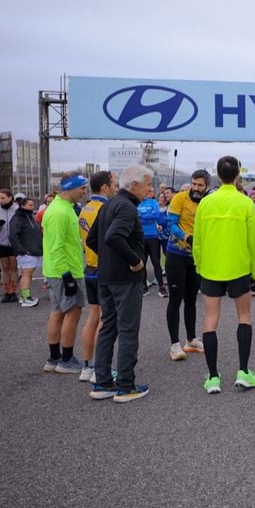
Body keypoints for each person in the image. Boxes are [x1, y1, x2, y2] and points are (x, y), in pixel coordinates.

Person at [192, 155, 255, 393]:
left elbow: (198, 240)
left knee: (210, 319)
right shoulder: (246, 203)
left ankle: (213, 377)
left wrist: (199, 265)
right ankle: (243, 371)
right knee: (244, 316)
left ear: (217, 174)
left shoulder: (206, 203)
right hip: (239, 268)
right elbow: (253, 241)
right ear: (238, 175)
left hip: (211, 268)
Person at [86, 165, 153, 402]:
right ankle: (125, 385)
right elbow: (113, 236)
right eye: (147, 185)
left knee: (108, 328)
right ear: (134, 185)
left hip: (106, 276)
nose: (150, 190)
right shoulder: (126, 207)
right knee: (127, 330)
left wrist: (109, 259)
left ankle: (103, 381)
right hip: (125, 279)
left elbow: (93, 239)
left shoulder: (109, 204)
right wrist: (134, 260)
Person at [41, 172, 89, 374]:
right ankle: (66, 360)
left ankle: (54, 358)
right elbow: (55, 247)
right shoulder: (59, 212)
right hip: (65, 271)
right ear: (70, 188)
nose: (85, 192)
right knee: (73, 311)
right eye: (82, 188)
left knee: (58, 312)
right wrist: (67, 275)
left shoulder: (64, 208)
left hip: (58, 270)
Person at [164, 169, 210, 361]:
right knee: (175, 299)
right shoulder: (179, 198)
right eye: (194, 184)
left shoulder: (208, 202)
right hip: (176, 254)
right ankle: (174, 344)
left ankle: (190, 339)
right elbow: (171, 224)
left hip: (196, 257)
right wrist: (186, 237)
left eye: (200, 185)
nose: (196, 188)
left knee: (191, 299)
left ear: (207, 186)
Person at [77, 170, 118, 381]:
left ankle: (88, 366)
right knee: (107, 320)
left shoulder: (85, 208)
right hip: (103, 268)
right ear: (105, 187)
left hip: (90, 268)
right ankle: (101, 369)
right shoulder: (105, 209)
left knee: (93, 315)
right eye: (115, 185)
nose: (117, 189)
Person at [9, 196, 43, 308]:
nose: (32, 207)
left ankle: (24, 296)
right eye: (30, 205)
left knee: (28, 273)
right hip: (26, 252)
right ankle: (26, 298)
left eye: (33, 205)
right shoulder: (17, 219)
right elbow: (13, 236)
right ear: (22, 205)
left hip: (34, 250)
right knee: (27, 273)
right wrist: (21, 250)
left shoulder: (30, 217)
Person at [0, 189, 21, 303]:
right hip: (1, 242)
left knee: (13, 267)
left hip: (14, 242)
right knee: (4, 268)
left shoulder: (17, 209)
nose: (1, 200)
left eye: (3, 198)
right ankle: (6, 292)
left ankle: (13, 291)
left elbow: (21, 225)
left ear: (10, 197)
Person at [137, 184, 167, 296]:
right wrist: (146, 217)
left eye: (151, 191)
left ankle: (161, 287)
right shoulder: (138, 203)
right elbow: (136, 217)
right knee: (142, 263)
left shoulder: (154, 203)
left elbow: (155, 216)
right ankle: (144, 287)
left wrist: (142, 216)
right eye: (148, 191)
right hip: (141, 237)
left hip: (153, 237)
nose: (149, 193)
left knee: (156, 262)